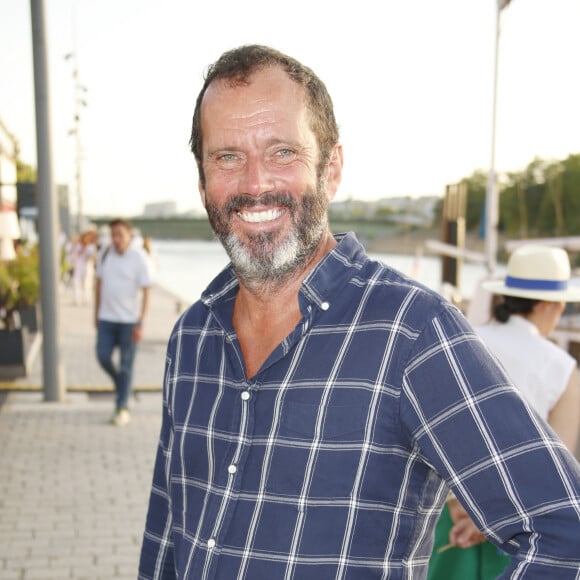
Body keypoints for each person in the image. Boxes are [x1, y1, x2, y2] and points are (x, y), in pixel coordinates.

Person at [139, 45, 580, 579]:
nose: (255, 183)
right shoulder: (191, 334)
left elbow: (563, 532)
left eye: (283, 152)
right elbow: (167, 530)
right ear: (202, 178)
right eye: (227, 156)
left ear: (331, 169)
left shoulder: (413, 333)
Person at [428, 244, 580, 579]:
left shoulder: (461, 341)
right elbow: (557, 467)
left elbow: (434, 433)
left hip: (445, 514)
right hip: (521, 530)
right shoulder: (564, 369)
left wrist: (460, 507)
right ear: (548, 305)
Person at [94, 218, 151, 426]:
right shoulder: (105, 253)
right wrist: (96, 313)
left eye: (120, 235)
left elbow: (147, 290)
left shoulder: (139, 257)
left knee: (126, 366)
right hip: (106, 319)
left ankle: (121, 406)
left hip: (129, 321)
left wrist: (141, 322)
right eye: (113, 235)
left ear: (129, 235)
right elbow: (98, 284)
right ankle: (123, 386)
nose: (116, 239)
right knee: (102, 356)